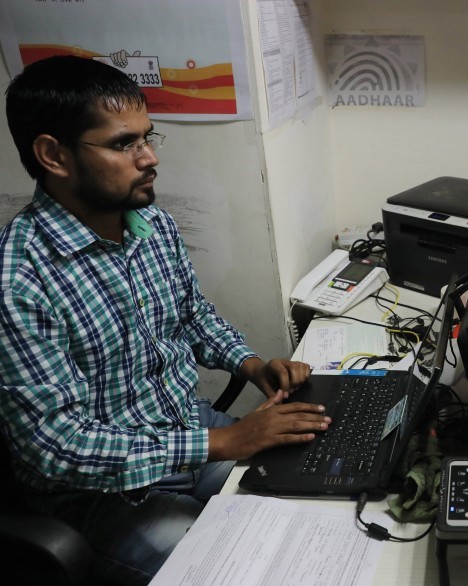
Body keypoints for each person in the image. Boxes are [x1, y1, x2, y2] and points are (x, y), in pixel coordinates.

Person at [0, 55, 332, 584]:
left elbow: (192, 316)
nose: (150, 157)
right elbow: (56, 446)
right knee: (233, 572)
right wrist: (224, 442)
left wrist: (252, 366)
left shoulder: (150, 222)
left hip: (185, 428)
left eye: (148, 138)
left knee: (319, 490)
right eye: (123, 144)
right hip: (101, 494)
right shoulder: (18, 279)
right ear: (53, 155)